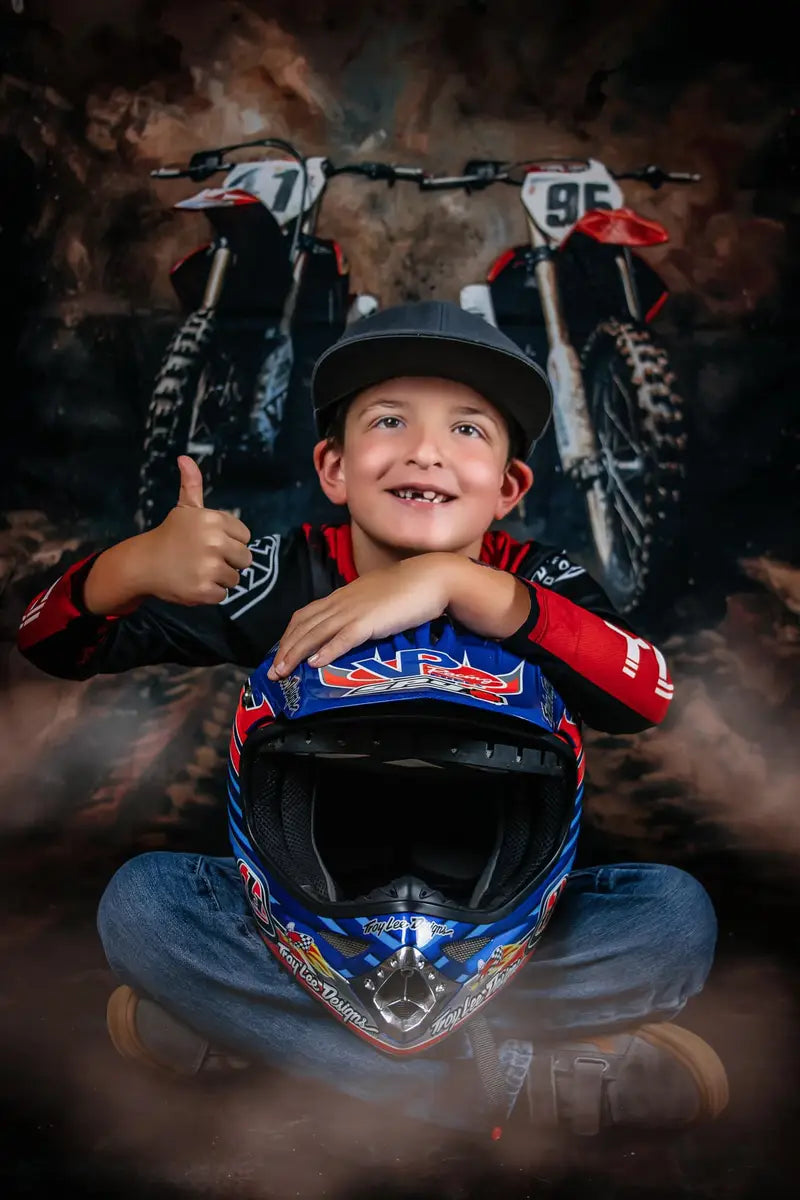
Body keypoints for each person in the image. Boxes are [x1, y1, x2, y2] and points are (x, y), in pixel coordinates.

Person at [16, 300, 727, 1137]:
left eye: (468, 430)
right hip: (308, 917)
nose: (426, 449)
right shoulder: (279, 575)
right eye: (389, 421)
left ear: (509, 487)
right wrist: (126, 569)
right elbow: (46, 641)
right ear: (334, 468)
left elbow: (649, 695)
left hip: (497, 923)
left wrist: (463, 586)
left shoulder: (542, 582)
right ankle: (502, 1091)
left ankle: (265, 1046)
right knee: (143, 908)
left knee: (673, 918)